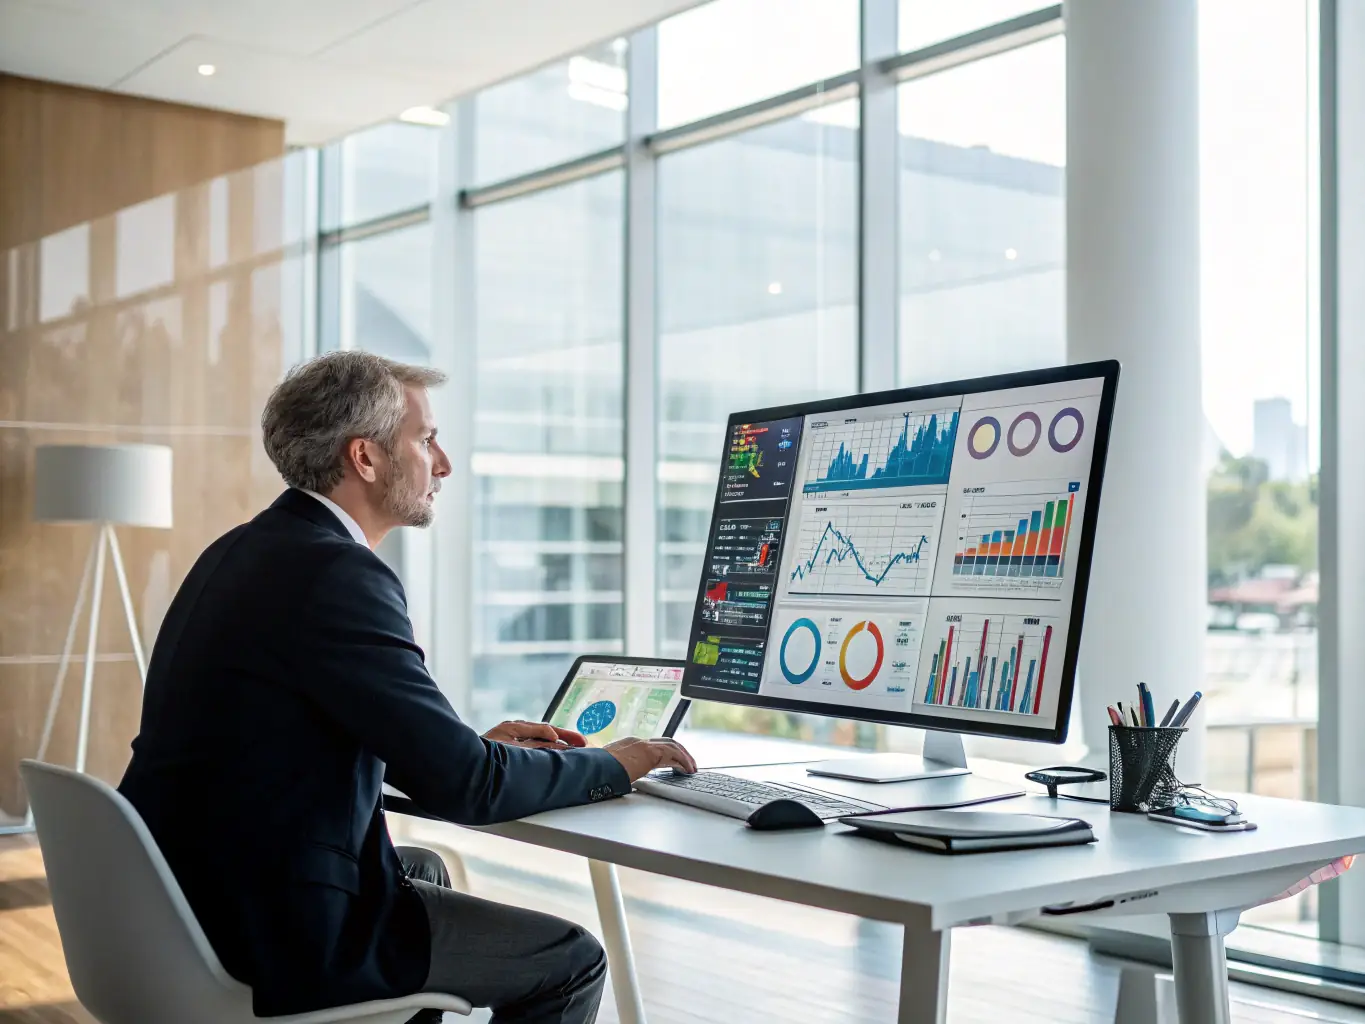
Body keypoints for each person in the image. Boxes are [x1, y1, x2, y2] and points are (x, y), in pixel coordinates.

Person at [118, 352, 696, 1024]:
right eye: (425, 440)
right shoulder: (335, 574)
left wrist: (462, 747)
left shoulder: (243, 549)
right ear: (365, 457)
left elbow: (288, 735)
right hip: (271, 924)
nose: (443, 463)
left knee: (418, 869)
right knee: (569, 961)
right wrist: (613, 765)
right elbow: (468, 788)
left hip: (186, 896)